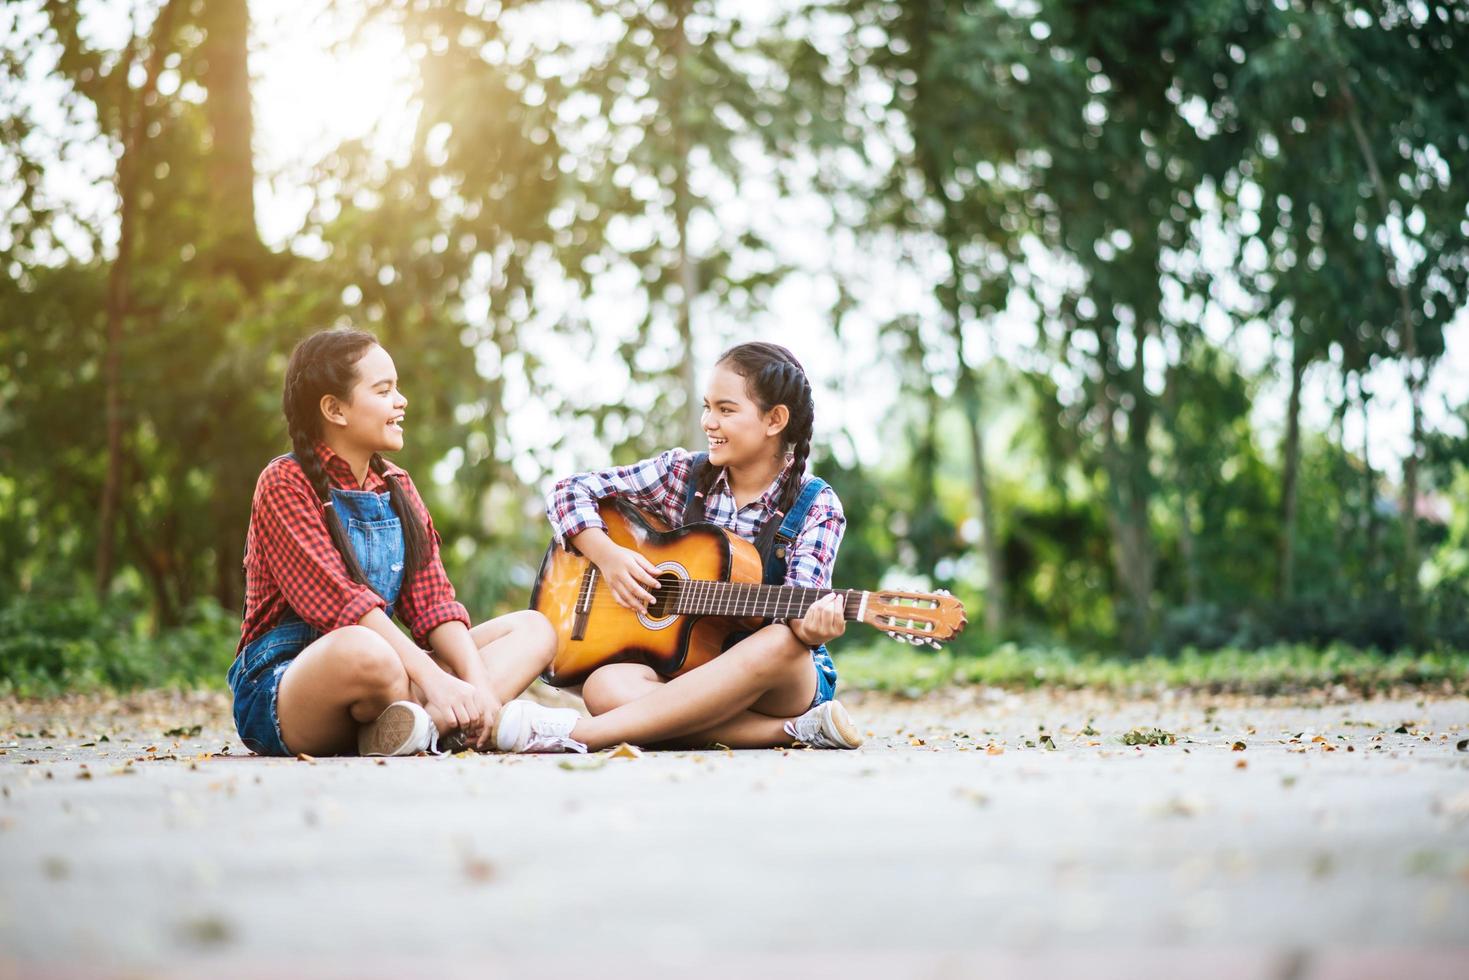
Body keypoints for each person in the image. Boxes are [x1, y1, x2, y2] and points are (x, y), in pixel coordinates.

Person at [494, 341, 863, 753]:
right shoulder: (681, 474)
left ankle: (582, 735)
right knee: (604, 686)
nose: (708, 421)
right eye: (707, 407)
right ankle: (794, 731)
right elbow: (569, 491)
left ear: (775, 419)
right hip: (687, 670)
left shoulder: (816, 504)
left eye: (726, 410)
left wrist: (811, 627)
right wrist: (610, 557)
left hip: (775, 680)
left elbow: (800, 613)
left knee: (780, 643)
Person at [229, 328, 556, 757]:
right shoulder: (284, 483)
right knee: (369, 651)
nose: (401, 402)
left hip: (391, 675)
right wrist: (435, 680)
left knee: (534, 629)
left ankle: (417, 725)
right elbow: (342, 606)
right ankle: (430, 717)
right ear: (335, 409)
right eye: (384, 391)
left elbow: (433, 604)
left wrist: (478, 687)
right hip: (288, 682)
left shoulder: (397, 485)